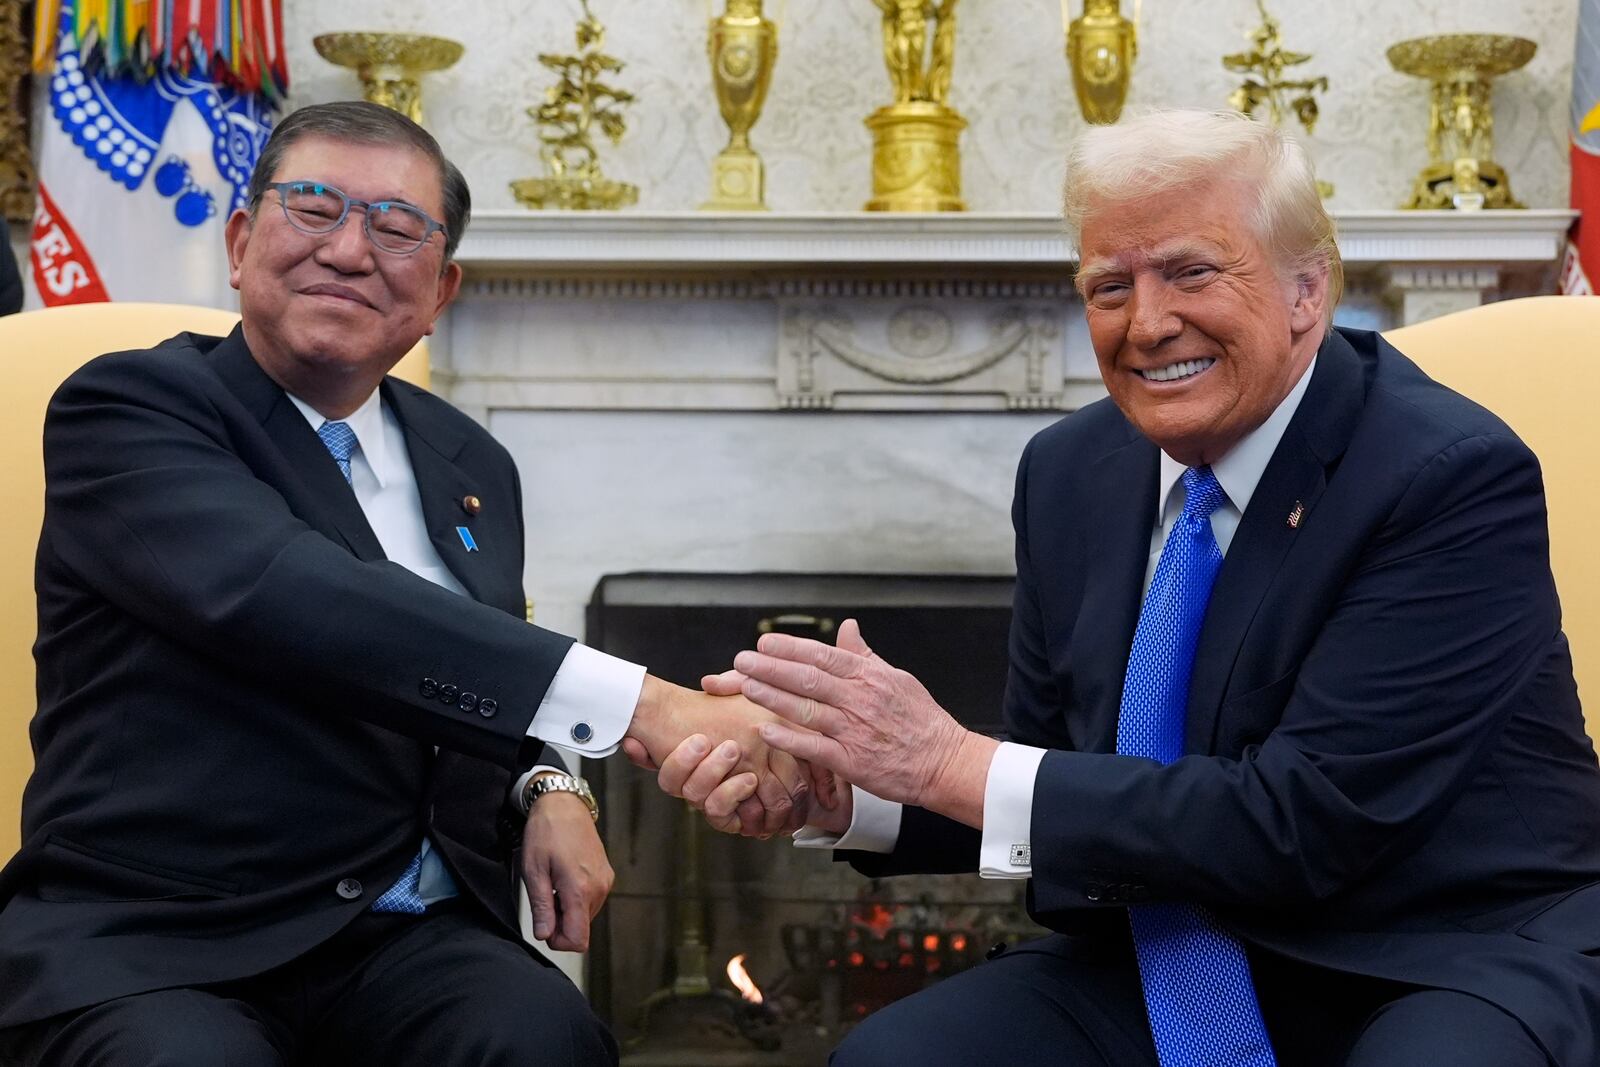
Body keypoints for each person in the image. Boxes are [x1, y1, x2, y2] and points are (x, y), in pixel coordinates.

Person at [645, 110, 1600, 1066]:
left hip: (1435, 954)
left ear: (1307, 290)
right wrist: (844, 788)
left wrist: (945, 760)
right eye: (1110, 286)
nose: (1147, 324)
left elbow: (1303, 823)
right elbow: (1052, 770)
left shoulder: (1446, 474)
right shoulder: (1071, 471)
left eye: (1190, 271)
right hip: (1164, 949)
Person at [0, 101, 813, 1067]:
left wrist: (549, 781)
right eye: (312, 209)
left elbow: (462, 666)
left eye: (395, 229)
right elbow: (298, 600)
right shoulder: (130, 410)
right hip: (164, 937)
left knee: (542, 1036)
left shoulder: (470, 458)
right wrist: (652, 705)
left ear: (441, 290)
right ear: (238, 238)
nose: (348, 251)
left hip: (404, 938)